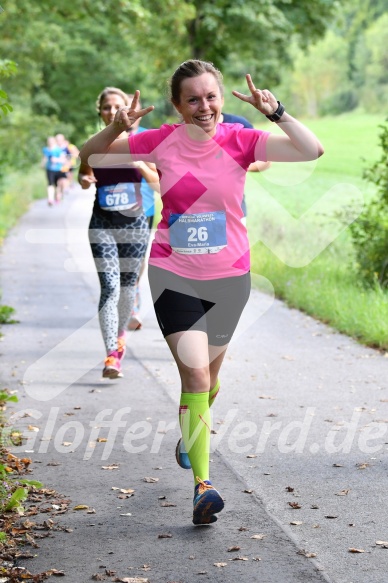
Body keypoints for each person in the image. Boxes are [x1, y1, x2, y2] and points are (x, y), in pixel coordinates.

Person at [80, 60, 324, 524]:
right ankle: (203, 487)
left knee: (208, 384)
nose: (204, 106)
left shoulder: (241, 140)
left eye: (210, 96)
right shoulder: (160, 141)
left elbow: (312, 150)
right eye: (192, 99)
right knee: (193, 379)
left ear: (221, 97)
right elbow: (90, 158)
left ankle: (192, 430)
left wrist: (278, 113)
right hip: (174, 274)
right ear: (178, 105)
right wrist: (115, 129)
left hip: (231, 279)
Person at [78, 86, 159, 379]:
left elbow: (161, 186)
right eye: (106, 107)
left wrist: (139, 162)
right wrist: (86, 180)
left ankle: (120, 337)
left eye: (117, 107)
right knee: (109, 288)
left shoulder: (143, 142)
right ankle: (112, 353)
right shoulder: (94, 144)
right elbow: (83, 172)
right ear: (100, 112)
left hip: (135, 225)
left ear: (128, 110)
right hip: (102, 224)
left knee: (126, 289)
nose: (112, 112)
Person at [41, 136, 68, 205]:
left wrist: (56, 160)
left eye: (52, 141)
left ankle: (58, 195)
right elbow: (44, 158)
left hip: (58, 169)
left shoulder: (58, 150)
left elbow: (64, 160)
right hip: (49, 169)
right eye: (49, 142)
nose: (50, 143)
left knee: (58, 184)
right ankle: (50, 199)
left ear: (54, 142)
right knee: (50, 184)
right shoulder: (45, 149)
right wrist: (42, 164)